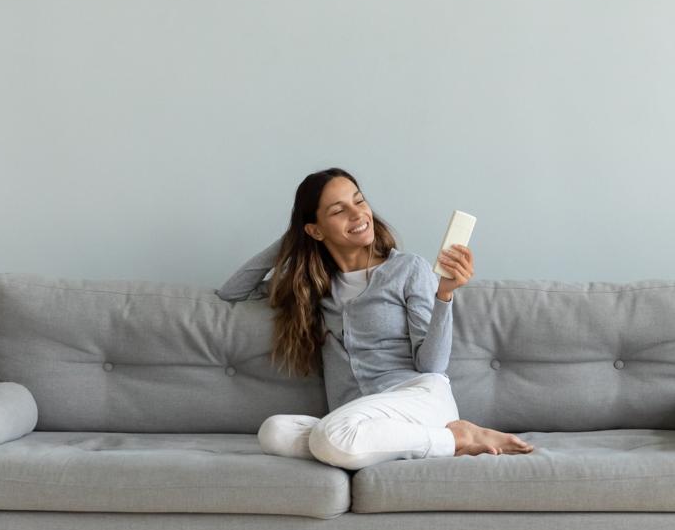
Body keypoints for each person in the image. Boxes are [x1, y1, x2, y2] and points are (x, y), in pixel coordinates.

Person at [215, 167, 534, 470]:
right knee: (274, 431)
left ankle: (454, 437)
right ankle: (378, 447)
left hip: (417, 399)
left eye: (359, 200)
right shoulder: (313, 286)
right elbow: (233, 291)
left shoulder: (408, 269)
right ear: (315, 229)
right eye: (338, 211)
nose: (357, 215)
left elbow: (432, 365)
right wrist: (293, 240)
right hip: (359, 419)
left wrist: (444, 295)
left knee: (332, 436)